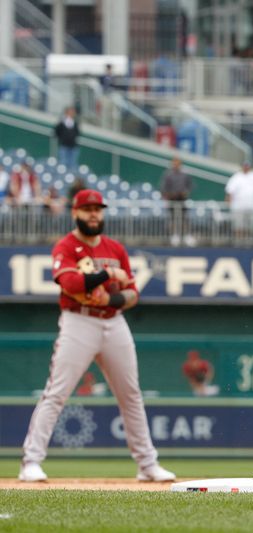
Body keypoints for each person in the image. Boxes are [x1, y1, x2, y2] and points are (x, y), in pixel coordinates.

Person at [18, 189, 176, 483]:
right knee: (56, 393)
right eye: (87, 208)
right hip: (78, 321)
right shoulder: (66, 246)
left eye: (98, 209)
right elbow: (70, 282)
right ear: (75, 213)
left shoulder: (115, 248)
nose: (93, 213)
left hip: (114, 322)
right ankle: (31, 461)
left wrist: (107, 299)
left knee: (131, 395)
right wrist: (106, 277)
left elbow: (132, 294)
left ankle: (147, 464)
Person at [224, 161, 253, 239]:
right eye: (244, 166)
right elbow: (230, 191)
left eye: (247, 166)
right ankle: (238, 241)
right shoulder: (236, 177)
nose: (246, 167)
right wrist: (229, 201)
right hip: (238, 206)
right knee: (238, 225)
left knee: (250, 225)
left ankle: (248, 241)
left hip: (251, 205)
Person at [159, 157, 194, 246]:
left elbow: (189, 186)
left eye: (178, 163)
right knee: (173, 218)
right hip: (172, 199)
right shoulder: (168, 175)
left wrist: (185, 192)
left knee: (184, 218)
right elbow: (164, 187)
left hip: (182, 199)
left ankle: (186, 236)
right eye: (174, 163)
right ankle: (174, 236)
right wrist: (168, 195)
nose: (176, 165)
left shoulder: (185, 175)